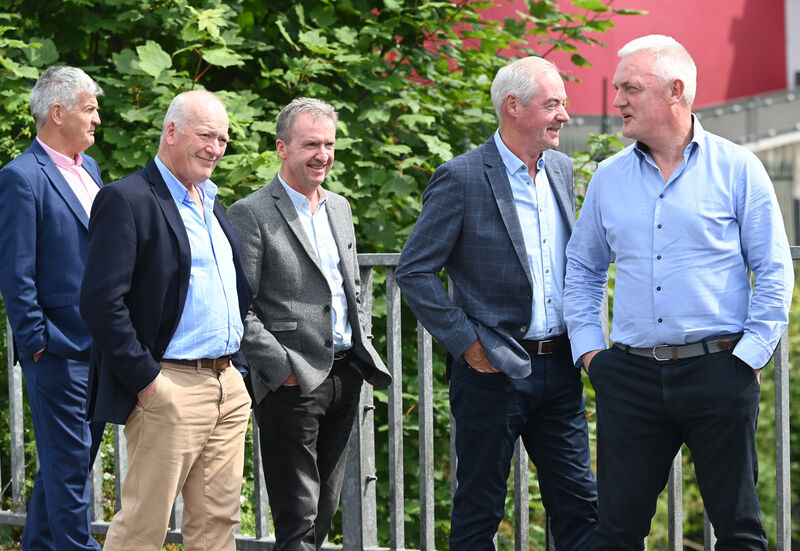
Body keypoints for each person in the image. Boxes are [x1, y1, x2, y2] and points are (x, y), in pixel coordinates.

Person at [564, 35, 794, 550]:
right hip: (629, 376)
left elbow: (774, 270)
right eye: (617, 87)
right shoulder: (608, 177)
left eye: (630, 88)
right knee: (616, 531)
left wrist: (749, 356)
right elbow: (582, 269)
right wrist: (591, 353)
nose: (616, 100)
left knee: (738, 529)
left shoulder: (739, 168)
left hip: (719, 371)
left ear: (676, 91)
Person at [395, 57, 597, 550]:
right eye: (553, 104)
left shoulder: (563, 170)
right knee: (480, 508)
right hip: (492, 370)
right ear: (513, 106)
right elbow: (414, 270)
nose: (564, 116)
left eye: (564, 104)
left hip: (561, 368)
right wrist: (467, 344)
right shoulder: (461, 177)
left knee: (581, 507)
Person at [79, 90, 253, 551]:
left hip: (227, 385)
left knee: (217, 525)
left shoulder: (210, 200)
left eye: (223, 138)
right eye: (206, 135)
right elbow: (100, 302)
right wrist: (147, 381)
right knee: (142, 527)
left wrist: (240, 376)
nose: (216, 147)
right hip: (170, 387)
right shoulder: (127, 199)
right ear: (171, 132)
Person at [228, 97, 392, 551]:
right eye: (310, 145)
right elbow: (239, 306)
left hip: (345, 374)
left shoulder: (339, 207)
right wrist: (280, 370)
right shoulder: (252, 212)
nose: (323, 154)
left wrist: (363, 348)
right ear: (282, 148)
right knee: (297, 516)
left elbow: (350, 288)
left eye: (329, 144)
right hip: (292, 382)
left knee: (325, 509)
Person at [0, 66, 105, 551]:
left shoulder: (91, 169)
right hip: (58, 352)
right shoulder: (20, 178)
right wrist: (39, 344)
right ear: (57, 112)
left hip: (101, 350)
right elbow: (16, 275)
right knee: (69, 474)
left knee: (69, 466)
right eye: (90, 108)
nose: (97, 120)